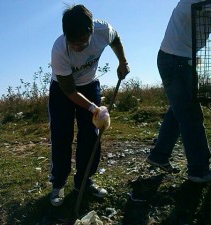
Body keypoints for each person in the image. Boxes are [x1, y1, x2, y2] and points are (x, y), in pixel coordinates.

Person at [48, 4, 129, 206]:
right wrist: (94, 108)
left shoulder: (103, 30)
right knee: (62, 135)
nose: (78, 47)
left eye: (83, 42)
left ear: (91, 31)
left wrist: (122, 61)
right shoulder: (59, 50)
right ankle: (58, 184)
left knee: (91, 135)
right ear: (65, 35)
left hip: (90, 85)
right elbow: (69, 91)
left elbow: (116, 39)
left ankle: (84, 182)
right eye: (73, 43)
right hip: (62, 89)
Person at [146, 0, 211, 183]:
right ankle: (199, 170)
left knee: (178, 111)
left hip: (180, 59)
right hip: (176, 61)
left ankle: (159, 155)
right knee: (190, 115)